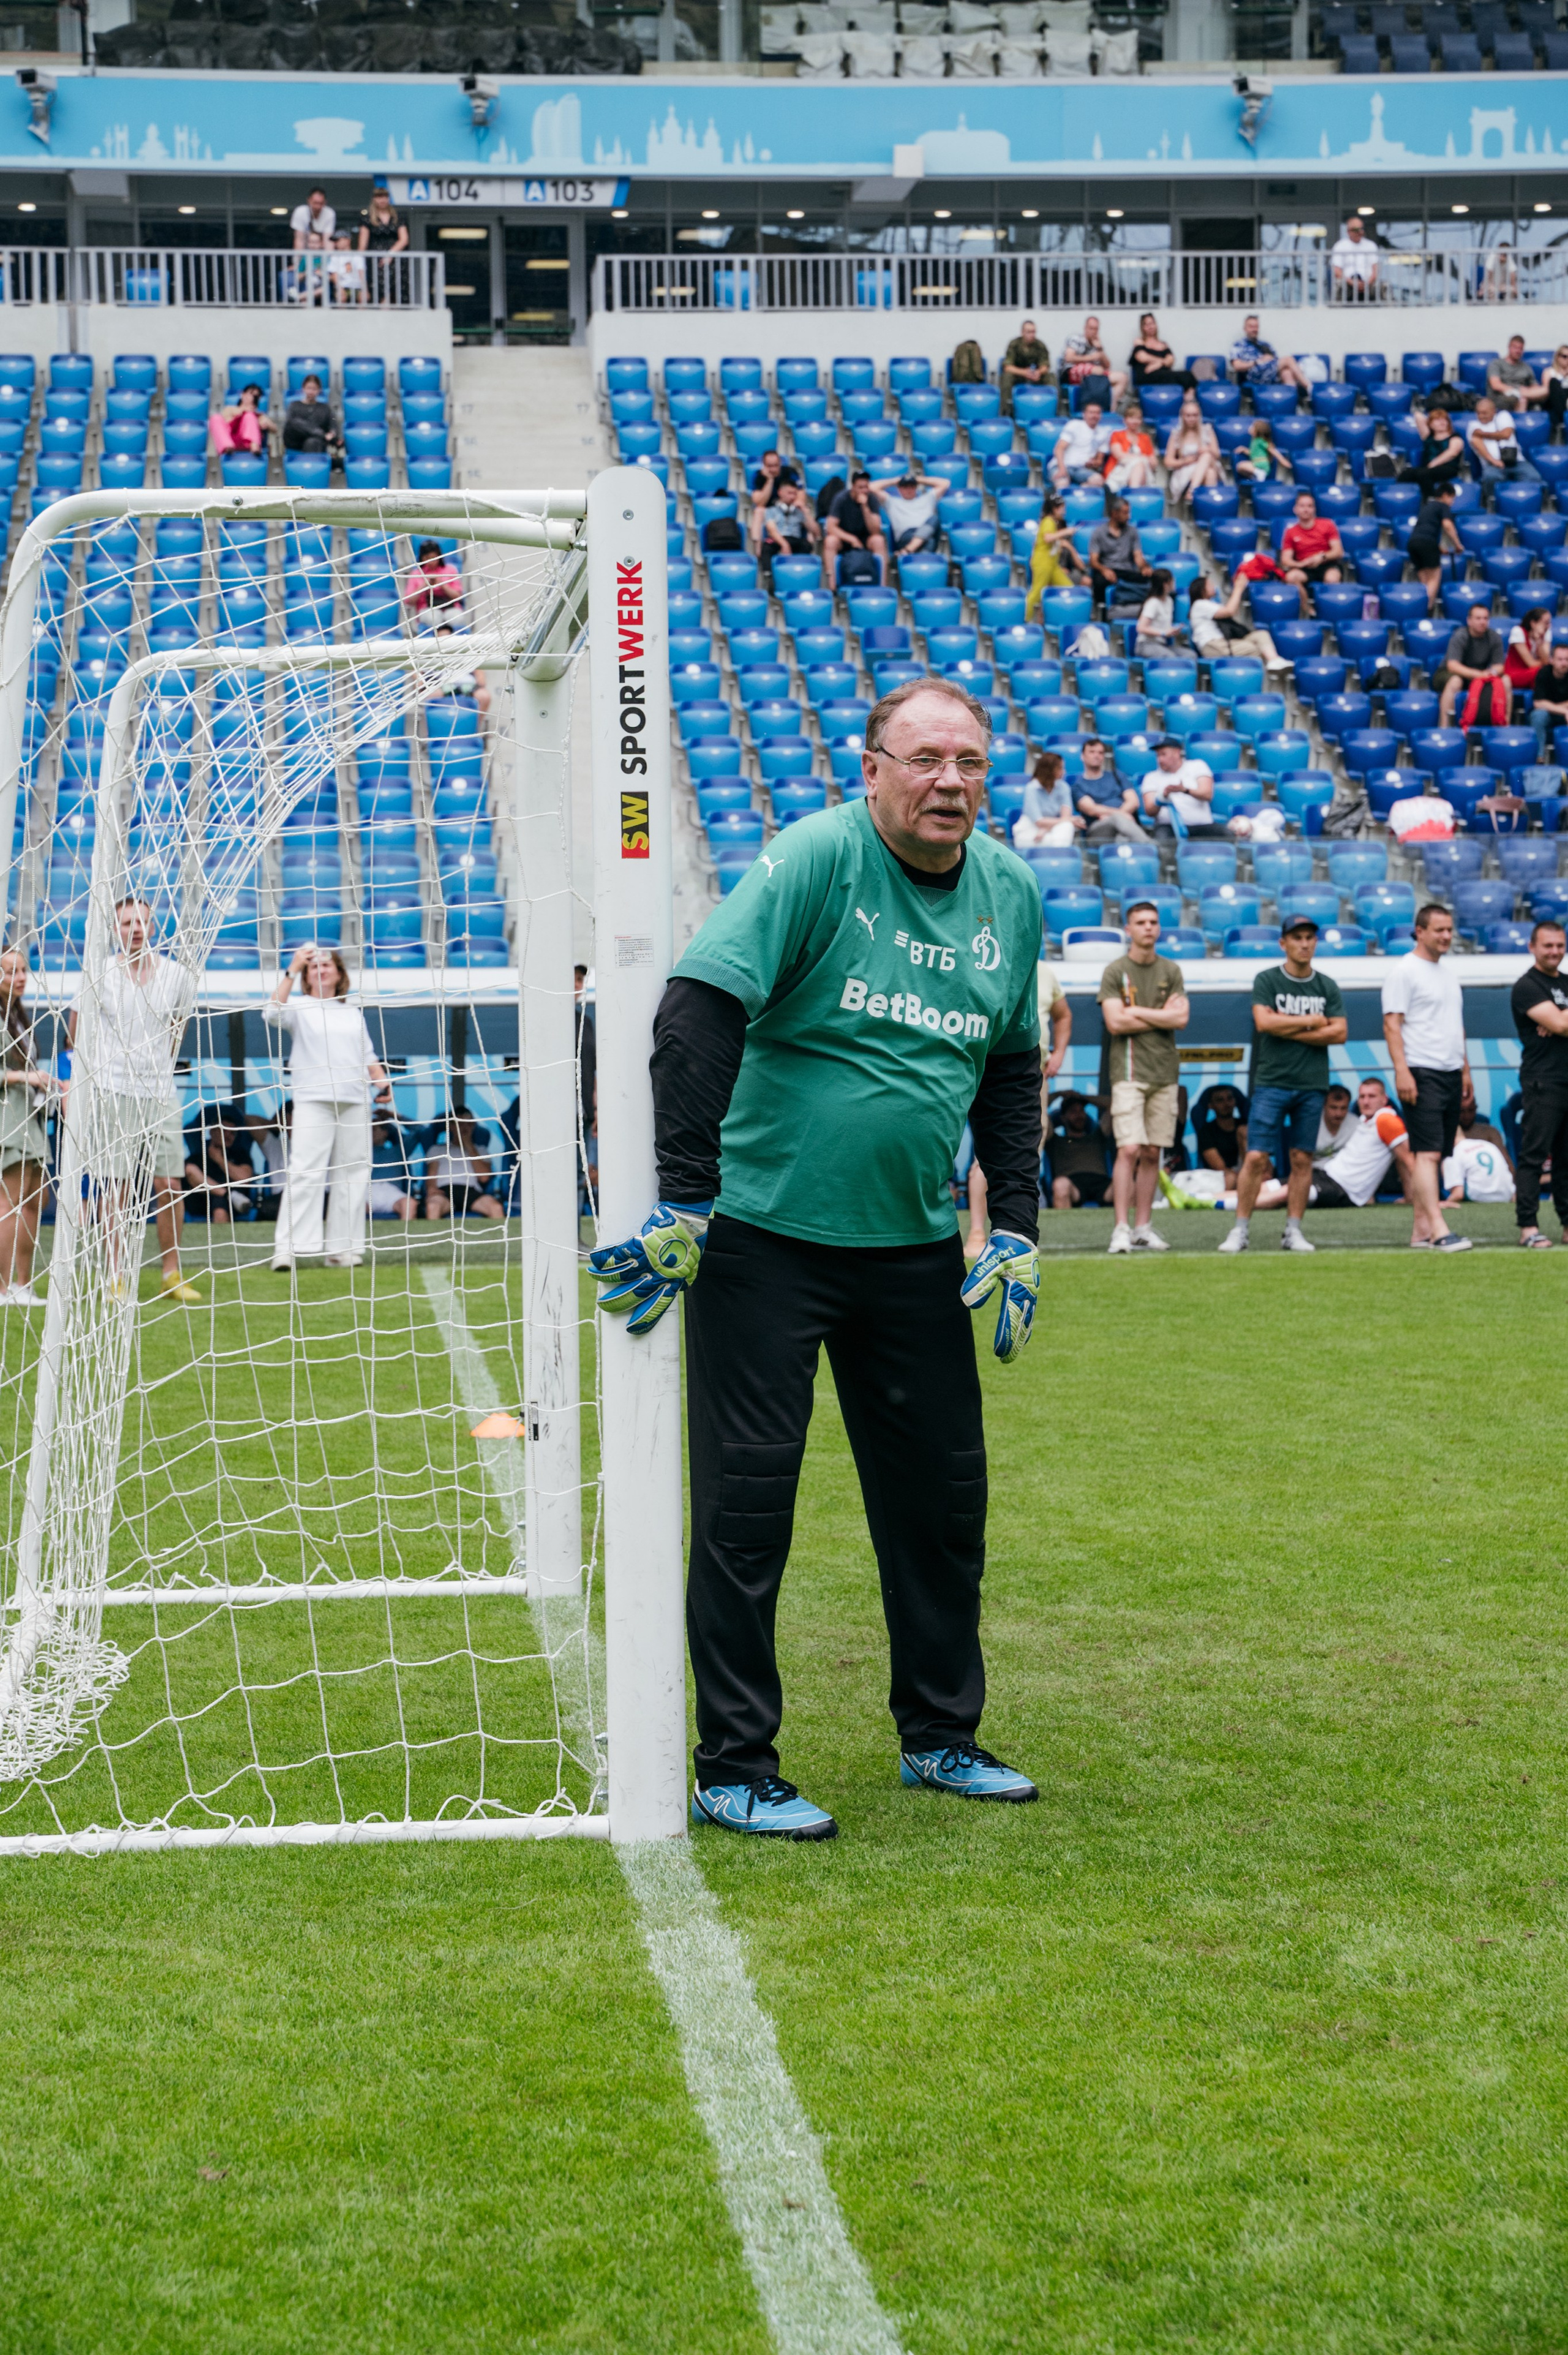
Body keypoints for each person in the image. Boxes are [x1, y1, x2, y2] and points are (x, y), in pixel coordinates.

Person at [590, 676, 1044, 1838]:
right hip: (763, 1243)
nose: (951, 781)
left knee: (944, 1506)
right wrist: (688, 1202)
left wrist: (1021, 1223)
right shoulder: (817, 858)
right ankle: (735, 1762)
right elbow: (694, 1011)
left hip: (911, 1252)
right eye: (927, 758)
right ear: (875, 766)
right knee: (749, 1507)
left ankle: (941, 1736)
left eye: (970, 763)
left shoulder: (1010, 891)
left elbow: (1009, 1068)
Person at [70, 896, 198, 1304]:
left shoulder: (177, 975)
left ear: (154, 927)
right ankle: (116, 1277)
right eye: (127, 924)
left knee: (170, 1184)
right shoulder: (100, 973)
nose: (135, 929)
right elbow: (75, 1031)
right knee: (117, 1188)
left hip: (160, 1091)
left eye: (142, 922)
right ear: (115, 930)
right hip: (112, 1089)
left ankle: (171, 1273)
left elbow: (178, 1029)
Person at [1218, 917, 1347, 1255]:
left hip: (1311, 1084)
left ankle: (1293, 1231)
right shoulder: (1268, 979)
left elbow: (1340, 1032)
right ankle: (1240, 1230)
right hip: (1272, 1082)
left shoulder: (1327, 986)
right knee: (1257, 1156)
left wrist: (1285, 1025)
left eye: (1310, 938)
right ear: (1283, 944)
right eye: (1297, 938)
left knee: (1302, 1159)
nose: (1305, 944)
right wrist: (1310, 1022)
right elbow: (1264, 1022)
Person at [264, 943, 393, 1271]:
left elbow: (368, 1059)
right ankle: (288, 1249)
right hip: (312, 1100)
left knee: (353, 1174)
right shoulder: (299, 1006)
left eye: (327, 966)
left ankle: (342, 1250)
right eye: (313, 967)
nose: (320, 971)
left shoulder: (353, 1012)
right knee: (305, 1172)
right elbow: (270, 1013)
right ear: (306, 976)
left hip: (354, 1100)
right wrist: (291, 969)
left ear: (339, 973)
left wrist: (383, 1083)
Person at [1381, 901, 1473, 1252]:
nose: (1447, 936)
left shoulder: (1448, 974)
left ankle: (1420, 1230)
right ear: (1420, 932)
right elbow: (1392, 1024)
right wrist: (1402, 1071)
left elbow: (1456, 1026)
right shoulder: (1404, 971)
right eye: (1439, 930)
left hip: (1450, 1072)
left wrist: (1465, 1070)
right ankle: (1438, 1228)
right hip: (1421, 1071)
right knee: (1428, 1153)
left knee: (1436, 1152)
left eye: (1450, 930)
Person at [1099, 902, 1188, 1255]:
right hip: (1129, 1073)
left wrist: (1134, 1010)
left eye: (1153, 922)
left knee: (1153, 1152)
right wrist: (1159, 1015)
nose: (1148, 927)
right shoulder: (1115, 970)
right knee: (1130, 1150)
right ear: (1128, 929)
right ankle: (1121, 1228)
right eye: (1141, 922)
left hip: (1165, 1073)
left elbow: (1181, 1020)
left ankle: (1143, 1228)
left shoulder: (1172, 969)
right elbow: (1115, 1023)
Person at [1252, 1077, 1412, 1213]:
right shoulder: (1365, 1122)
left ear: (1384, 1099)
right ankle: (1225, 1200)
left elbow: (1409, 1161)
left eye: (1372, 1096)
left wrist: (1416, 1198)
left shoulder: (1385, 1120)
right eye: (1362, 1097)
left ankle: (1237, 1206)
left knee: (1288, 1193)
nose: (1366, 1101)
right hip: (1323, 1174)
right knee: (1264, 1187)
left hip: (1342, 1189)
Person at [1510, 917, 1568, 1246]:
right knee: (1534, 1156)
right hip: (1543, 1082)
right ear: (1533, 947)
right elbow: (1560, 1026)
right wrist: (1558, 1022)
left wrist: (1559, 1018)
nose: (1555, 952)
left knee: (1567, 1162)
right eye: (1548, 945)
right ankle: (1528, 1228)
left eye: (1560, 945)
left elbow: (1560, 1022)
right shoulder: (1527, 986)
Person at [0, 945, 50, 1306]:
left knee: (34, 1201)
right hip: (8, 1118)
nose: (18, 978)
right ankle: (2, 1288)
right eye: (9, 971)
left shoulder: (20, 1014)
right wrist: (25, 1077)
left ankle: (22, 1285)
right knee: (10, 1202)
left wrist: (44, 1081)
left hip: (31, 1118)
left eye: (22, 970)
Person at [1188, 570, 1287, 673]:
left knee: (1261, 635)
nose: (1214, 586)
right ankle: (1249, 681)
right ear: (1201, 589)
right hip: (1213, 646)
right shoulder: (1200, 604)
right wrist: (1238, 588)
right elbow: (1229, 611)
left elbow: (1234, 612)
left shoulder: (1211, 604)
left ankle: (1274, 660)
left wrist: (1238, 589)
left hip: (1225, 642)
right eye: (1210, 584)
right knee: (1255, 650)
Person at [1436, 601, 1508, 730]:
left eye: (1486, 618)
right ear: (1469, 621)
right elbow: (1453, 666)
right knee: (1455, 681)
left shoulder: (1494, 637)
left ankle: (1505, 724)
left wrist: (1490, 672)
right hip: (1448, 674)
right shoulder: (1460, 635)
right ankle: (1445, 727)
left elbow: (1500, 667)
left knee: (1506, 680)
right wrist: (1479, 674)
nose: (1482, 622)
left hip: (1480, 678)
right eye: (1478, 618)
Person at [425, 1113, 505, 1223]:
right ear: (452, 1126)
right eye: (461, 1124)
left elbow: (484, 1178)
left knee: (496, 1208)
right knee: (433, 1207)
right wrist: (431, 1188)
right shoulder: (437, 1149)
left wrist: (469, 1145)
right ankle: (433, 1240)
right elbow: (432, 1174)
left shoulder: (481, 1150)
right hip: (445, 1190)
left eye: (469, 1124)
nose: (465, 1128)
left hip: (471, 1191)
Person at [1442, 1086, 1515, 1204]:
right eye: (1462, 1111)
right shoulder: (1446, 1132)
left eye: (1471, 1110)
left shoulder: (1489, 1132)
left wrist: (1513, 1188)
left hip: (1482, 1189)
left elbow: (1506, 1162)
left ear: (1476, 1109)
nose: (1467, 1116)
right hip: (1453, 1185)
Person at [1024, 493, 1090, 619]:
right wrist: (1066, 531)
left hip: (1052, 565)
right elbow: (1048, 538)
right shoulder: (1048, 521)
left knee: (1069, 589)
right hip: (1043, 563)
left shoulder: (1052, 522)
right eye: (1062, 508)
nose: (1064, 511)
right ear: (1055, 509)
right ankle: (1025, 620)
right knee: (1036, 594)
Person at [183, 1114, 256, 1225]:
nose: (229, 1135)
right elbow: (190, 1173)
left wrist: (220, 1160)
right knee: (190, 1169)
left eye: (232, 1133)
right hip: (202, 1199)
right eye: (224, 1130)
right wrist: (227, 1194)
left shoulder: (241, 1155)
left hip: (233, 1203)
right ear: (212, 1132)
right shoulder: (197, 1156)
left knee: (220, 1204)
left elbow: (245, 1179)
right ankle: (228, 1194)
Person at [1073, 737, 1147, 843]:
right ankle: (1150, 846)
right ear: (1082, 756)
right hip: (1098, 830)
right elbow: (1092, 809)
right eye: (1092, 752)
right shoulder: (1078, 786)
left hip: (1124, 827)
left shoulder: (1117, 775)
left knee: (1122, 839)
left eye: (1100, 753)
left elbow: (1134, 802)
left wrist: (1119, 816)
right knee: (1117, 820)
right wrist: (1120, 816)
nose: (1097, 756)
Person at [1405, 478, 1463, 614]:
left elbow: (1425, 531)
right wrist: (1458, 545)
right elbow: (1448, 526)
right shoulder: (1443, 506)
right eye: (1452, 499)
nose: (1452, 503)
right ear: (1445, 495)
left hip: (1413, 543)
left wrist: (1438, 548)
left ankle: (1418, 609)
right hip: (1426, 543)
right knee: (1434, 577)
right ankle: (1428, 610)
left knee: (1424, 581)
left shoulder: (1426, 507)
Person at [1142, 735, 1216, 837]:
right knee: (1162, 841)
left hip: (1202, 825)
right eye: (1158, 756)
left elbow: (1207, 794)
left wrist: (1185, 790)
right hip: (1168, 827)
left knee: (1227, 835)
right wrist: (1162, 798)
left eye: (1164, 754)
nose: (1160, 760)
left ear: (1177, 753)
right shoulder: (1151, 777)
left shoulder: (1198, 766)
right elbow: (1150, 811)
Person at [1047, 1091, 1112, 1209]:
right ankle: (1061, 1227)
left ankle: (1129, 1227)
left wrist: (1083, 1097)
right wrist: (1058, 1095)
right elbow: (1039, 1105)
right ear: (1063, 1118)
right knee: (1060, 1185)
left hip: (1102, 1183)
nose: (1079, 1115)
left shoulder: (1098, 1136)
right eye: (1073, 1112)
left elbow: (1114, 1104)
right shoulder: (1054, 1140)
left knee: (1128, 1185)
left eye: (1081, 1111)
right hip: (1073, 1185)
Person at [1087, 495, 1150, 614]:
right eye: (1125, 513)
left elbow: (1138, 557)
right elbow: (1093, 561)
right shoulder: (1099, 533)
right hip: (1107, 569)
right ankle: (1102, 613)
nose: (1129, 516)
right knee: (1100, 582)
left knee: (1151, 579)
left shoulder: (1133, 532)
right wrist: (1104, 570)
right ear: (1114, 513)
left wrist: (1144, 567)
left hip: (1126, 571)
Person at [1280, 491, 1345, 603]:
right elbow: (1285, 560)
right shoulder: (1291, 532)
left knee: (1332, 579)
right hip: (1305, 567)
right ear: (1295, 509)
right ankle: (1308, 610)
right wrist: (1300, 564)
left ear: (1314, 509)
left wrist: (1322, 557)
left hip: (1327, 564)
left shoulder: (1328, 524)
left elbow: (1338, 551)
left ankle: (1327, 611)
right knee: (1291, 577)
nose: (1306, 510)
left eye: (1310, 506)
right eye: (1302, 506)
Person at [874, 464, 951, 555]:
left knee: (934, 520)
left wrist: (917, 479)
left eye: (912, 486)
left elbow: (945, 483)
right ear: (899, 489)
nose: (909, 490)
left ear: (916, 487)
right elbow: (872, 487)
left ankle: (909, 550)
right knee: (929, 542)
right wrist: (896, 481)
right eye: (905, 487)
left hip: (926, 535)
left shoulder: (927, 499)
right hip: (906, 537)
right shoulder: (892, 502)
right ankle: (913, 551)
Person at [1469, 394, 1542, 486]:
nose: (1481, 416)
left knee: (1534, 477)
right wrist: (1494, 461)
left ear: (1493, 411)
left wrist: (1483, 434)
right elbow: (1477, 443)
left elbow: (1506, 434)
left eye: (1484, 413)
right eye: (1478, 413)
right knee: (1491, 477)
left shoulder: (1503, 416)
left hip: (1516, 461)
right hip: (1492, 465)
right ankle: (1491, 500)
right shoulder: (1473, 425)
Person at [1227, 315, 1309, 395]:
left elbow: (1276, 361)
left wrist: (1269, 359)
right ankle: (1309, 387)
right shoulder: (1238, 345)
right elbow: (1237, 366)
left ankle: (1292, 403)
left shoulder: (1265, 345)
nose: (1254, 329)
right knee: (1288, 360)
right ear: (1245, 329)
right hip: (1253, 375)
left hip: (1270, 373)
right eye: (1251, 327)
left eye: (1256, 327)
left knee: (1286, 372)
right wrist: (1257, 362)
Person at [823, 471, 888, 573]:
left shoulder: (872, 499)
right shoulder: (841, 498)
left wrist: (865, 508)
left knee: (878, 540)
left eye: (866, 487)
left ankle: (882, 586)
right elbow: (831, 527)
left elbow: (875, 530)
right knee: (830, 541)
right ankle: (832, 585)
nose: (864, 491)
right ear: (853, 487)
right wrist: (852, 539)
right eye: (860, 488)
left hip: (865, 539)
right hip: (844, 539)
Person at [1013, 749, 1079, 849]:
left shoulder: (1064, 787)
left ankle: (1056, 855)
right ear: (1049, 770)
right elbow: (1039, 821)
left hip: (1051, 830)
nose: (1064, 772)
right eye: (1060, 768)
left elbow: (1066, 817)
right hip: (1031, 831)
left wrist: (1045, 829)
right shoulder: (1031, 788)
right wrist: (1068, 820)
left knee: (1067, 826)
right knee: (1064, 829)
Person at [1163, 396, 1222, 504]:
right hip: (1185, 470)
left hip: (1209, 463)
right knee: (1210, 473)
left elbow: (1217, 455)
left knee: (1207, 456)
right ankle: (1207, 509)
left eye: (1195, 415)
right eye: (1188, 416)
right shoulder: (1176, 434)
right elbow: (1168, 462)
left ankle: (1192, 490)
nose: (1192, 419)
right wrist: (1185, 461)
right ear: (1182, 416)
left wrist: (1206, 449)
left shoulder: (1207, 430)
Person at [1401, 405, 1467, 501]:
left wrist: (1433, 464)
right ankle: (1407, 500)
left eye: (1444, 420)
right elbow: (1418, 416)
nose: (1442, 422)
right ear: (1430, 424)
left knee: (1424, 474)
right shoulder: (1428, 436)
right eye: (1438, 420)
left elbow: (1453, 453)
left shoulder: (1455, 437)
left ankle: (1431, 500)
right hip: (1427, 470)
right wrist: (1431, 419)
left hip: (1448, 468)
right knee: (1406, 474)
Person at [1060, 314, 1126, 409]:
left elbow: (1107, 365)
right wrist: (1090, 358)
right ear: (1085, 328)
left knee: (1122, 377)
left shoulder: (1097, 344)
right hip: (1071, 373)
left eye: (1096, 329)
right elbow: (1069, 358)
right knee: (1098, 370)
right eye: (1091, 328)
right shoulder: (1076, 339)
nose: (1093, 332)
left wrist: (1100, 349)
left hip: (1095, 376)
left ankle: (1111, 410)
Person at [430, 621, 492, 719]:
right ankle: (433, 731)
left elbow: (479, 672)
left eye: (447, 637)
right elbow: (421, 676)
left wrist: (480, 678)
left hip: (469, 686)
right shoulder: (430, 656)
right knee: (430, 697)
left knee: (484, 696)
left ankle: (475, 729)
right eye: (441, 638)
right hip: (444, 686)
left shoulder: (465, 651)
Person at [358, 180, 408, 302]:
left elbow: (404, 239)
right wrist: (359, 262)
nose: (382, 200)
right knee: (379, 291)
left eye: (385, 197)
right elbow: (363, 244)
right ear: (374, 199)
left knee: (396, 291)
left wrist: (390, 255)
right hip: (376, 260)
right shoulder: (368, 219)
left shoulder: (398, 218)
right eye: (379, 197)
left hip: (395, 259)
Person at [758, 476, 821, 571]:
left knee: (806, 545)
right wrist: (784, 544)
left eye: (795, 494)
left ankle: (801, 571)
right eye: (789, 493)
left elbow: (817, 533)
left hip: (795, 539)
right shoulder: (771, 511)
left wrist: (806, 513)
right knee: (767, 546)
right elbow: (772, 531)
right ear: (780, 493)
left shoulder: (800, 512)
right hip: (778, 539)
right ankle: (768, 576)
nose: (792, 497)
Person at [1194, 1083, 1248, 1186]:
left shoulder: (1245, 1126)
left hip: (1247, 1168)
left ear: (1235, 1102)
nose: (1226, 1104)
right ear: (1211, 1106)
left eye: (1230, 1099)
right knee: (1230, 1178)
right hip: (1221, 1176)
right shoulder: (1206, 1131)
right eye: (1220, 1100)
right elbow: (1219, 1167)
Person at [1051, 401, 1111, 490]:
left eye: (1097, 413)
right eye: (1091, 413)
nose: (1094, 416)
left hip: (1082, 469)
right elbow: (1059, 449)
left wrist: (1093, 463)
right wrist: (1062, 469)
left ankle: (1079, 492)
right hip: (1062, 465)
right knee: (1062, 483)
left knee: (1098, 481)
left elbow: (1099, 461)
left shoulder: (1104, 433)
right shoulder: (1074, 425)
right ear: (1084, 414)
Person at [281, 372, 340, 458]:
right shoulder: (294, 405)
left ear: (319, 390)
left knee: (312, 441)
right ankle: (321, 434)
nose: (311, 392)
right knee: (295, 422)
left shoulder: (325, 408)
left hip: (317, 442)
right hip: (296, 440)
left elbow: (333, 423)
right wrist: (323, 435)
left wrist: (333, 433)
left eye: (314, 389)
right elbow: (291, 424)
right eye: (309, 388)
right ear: (303, 389)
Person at [368, 1115, 417, 1221]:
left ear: (385, 1133)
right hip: (366, 1192)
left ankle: (406, 1236)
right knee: (349, 1205)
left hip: (391, 1192)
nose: (370, 1133)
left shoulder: (398, 1151)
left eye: (374, 1129)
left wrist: (393, 1116)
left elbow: (420, 1131)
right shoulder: (359, 1153)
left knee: (410, 1204)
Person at [1128, 314, 1192, 392]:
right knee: (1185, 376)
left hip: (1163, 375)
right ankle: (1190, 399)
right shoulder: (1139, 341)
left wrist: (1157, 365)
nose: (1151, 327)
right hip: (1147, 375)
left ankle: (1189, 398)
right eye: (1147, 325)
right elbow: (1142, 357)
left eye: (1152, 323)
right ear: (1143, 328)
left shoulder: (1163, 345)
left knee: (1187, 375)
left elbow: (1171, 360)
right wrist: (1162, 361)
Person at [208, 379, 273, 457]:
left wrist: (265, 423)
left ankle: (255, 446)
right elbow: (224, 424)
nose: (252, 397)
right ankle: (227, 446)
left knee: (249, 416)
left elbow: (274, 428)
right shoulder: (230, 409)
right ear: (243, 395)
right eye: (251, 394)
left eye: (256, 396)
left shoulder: (258, 414)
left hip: (248, 444)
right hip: (231, 441)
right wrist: (242, 411)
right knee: (215, 418)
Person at [1506, 605, 1553, 712]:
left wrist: (1539, 642)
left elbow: (1545, 661)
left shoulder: (1546, 633)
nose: (1548, 626)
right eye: (1546, 622)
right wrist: (1545, 664)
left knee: (1550, 671)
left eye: (1549, 622)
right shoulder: (1518, 631)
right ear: (1533, 623)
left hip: (1533, 674)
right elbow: (1531, 663)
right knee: (1545, 672)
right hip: (1515, 673)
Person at [998, 320, 1050, 415]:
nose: (1032, 335)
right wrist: (1025, 373)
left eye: (1034, 332)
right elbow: (1008, 367)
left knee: (1051, 377)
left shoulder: (1040, 346)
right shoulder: (1014, 344)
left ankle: (1051, 410)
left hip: (1035, 376)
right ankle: (1006, 411)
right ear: (1022, 333)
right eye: (1029, 332)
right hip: (1018, 376)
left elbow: (1045, 366)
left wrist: (1039, 372)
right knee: (1006, 377)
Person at [404, 539, 463, 622]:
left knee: (456, 618)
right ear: (422, 558)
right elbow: (409, 601)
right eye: (427, 558)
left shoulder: (451, 570)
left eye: (434, 557)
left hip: (451, 608)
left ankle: (444, 633)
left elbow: (459, 597)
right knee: (433, 618)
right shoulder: (416, 574)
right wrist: (425, 585)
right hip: (427, 610)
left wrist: (442, 585)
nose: (431, 561)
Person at [1488, 334, 1548, 413]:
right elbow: (1495, 385)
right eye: (1515, 348)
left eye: (1521, 349)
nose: (1518, 351)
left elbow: (1534, 386)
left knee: (1546, 390)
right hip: (1503, 396)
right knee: (1522, 399)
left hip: (1526, 394)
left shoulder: (1526, 367)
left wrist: (1531, 392)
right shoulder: (1497, 364)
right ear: (1509, 347)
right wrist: (1517, 392)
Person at [1105, 403, 1157, 492]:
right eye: (1131, 418)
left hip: (1143, 472)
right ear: (1125, 420)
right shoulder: (1117, 435)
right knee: (1140, 463)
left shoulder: (1145, 438)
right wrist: (1143, 458)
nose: (1135, 421)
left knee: (1140, 465)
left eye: (1138, 419)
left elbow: (1154, 463)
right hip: (1120, 470)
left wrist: (1142, 460)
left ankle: (1134, 492)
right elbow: (1120, 456)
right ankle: (1135, 493)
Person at [1530, 640, 1568, 759]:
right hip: (1549, 714)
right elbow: (1538, 703)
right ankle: (1539, 757)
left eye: (1567, 659)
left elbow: (1543, 703)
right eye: (1560, 659)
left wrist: (1550, 706)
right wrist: (1565, 711)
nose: (1564, 663)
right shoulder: (1543, 673)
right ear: (1551, 660)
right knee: (1538, 716)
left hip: (1561, 713)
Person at [749, 448, 801, 535]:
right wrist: (770, 480)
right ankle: (757, 548)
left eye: (776, 466)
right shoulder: (759, 475)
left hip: (788, 508)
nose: (773, 469)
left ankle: (811, 544)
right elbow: (759, 502)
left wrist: (795, 505)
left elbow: (801, 495)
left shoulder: (790, 472)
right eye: (769, 466)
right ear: (764, 465)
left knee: (804, 510)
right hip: (769, 510)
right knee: (758, 511)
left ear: (780, 463)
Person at [1134, 567, 1180, 659]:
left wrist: (1172, 631)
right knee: (1171, 658)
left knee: (1190, 656)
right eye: (1172, 580)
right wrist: (1163, 633)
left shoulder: (1169, 601)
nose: (1174, 581)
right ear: (1165, 585)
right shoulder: (1153, 603)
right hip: (1146, 645)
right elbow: (1141, 628)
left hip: (1162, 644)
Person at [1234, 414, 1291, 486]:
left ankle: (1259, 473)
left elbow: (1272, 450)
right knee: (1240, 468)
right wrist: (1244, 450)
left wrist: (1282, 460)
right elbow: (1253, 453)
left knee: (1240, 466)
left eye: (1253, 427)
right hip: (1257, 463)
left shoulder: (1260, 441)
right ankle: (1256, 476)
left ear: (1257, 431)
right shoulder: (1254, 441)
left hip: (1261, 464)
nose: (1250, 428)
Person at [1330, 216, 1379, 299]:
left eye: (1362, 229)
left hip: (1368, 283)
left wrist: (1367, 283)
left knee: (1385, 286)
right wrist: (1352, 282)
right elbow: (1336, 271)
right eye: (1356, 230)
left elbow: (1376, 270)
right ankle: (1336, 311)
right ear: (1349, 231)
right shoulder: (1340, 246)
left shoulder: (1371, 245)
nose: (1360, 232)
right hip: (1347, 283)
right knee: (1338, 286)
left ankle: (1394, 311)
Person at [1314, 1081, 1356, 1159]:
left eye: (1343, 1108)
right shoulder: (1310, 1124)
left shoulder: (1357, 1125)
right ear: (1324, 1106)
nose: (1338, 1114)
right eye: (1333, 1108)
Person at [328, 233, 366, 306]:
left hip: (357, 287)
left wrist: (365, 289)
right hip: (343, 286)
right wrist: (340, 289)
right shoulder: (334, 257)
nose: (336, 243)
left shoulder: (357, 256)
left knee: (364, 297)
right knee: (341, 297)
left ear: (348, 240)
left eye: (338, 240)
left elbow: (362, 273)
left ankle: (363, 316)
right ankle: (341, 317)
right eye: (335, 241)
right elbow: (334, 275)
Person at [291, 186, 334, 250]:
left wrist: (329, 259)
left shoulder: (330, 213)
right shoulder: (300, 212)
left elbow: (328, 240)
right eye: (315, 203)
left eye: (321, 204)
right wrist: (297, 259)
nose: (318, 207)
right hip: (305, 251)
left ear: (325, 202)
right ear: (309, 201)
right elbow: (299, 240)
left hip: (321, 251)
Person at [1543, 342, 1568, 437]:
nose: (1567, 360)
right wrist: (1563, 376)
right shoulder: (1549, 372)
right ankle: (1562, 420)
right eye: (1564, 357)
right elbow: (1547, 391)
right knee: (1554, 382)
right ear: (1558, 357)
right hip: (1553, 403)